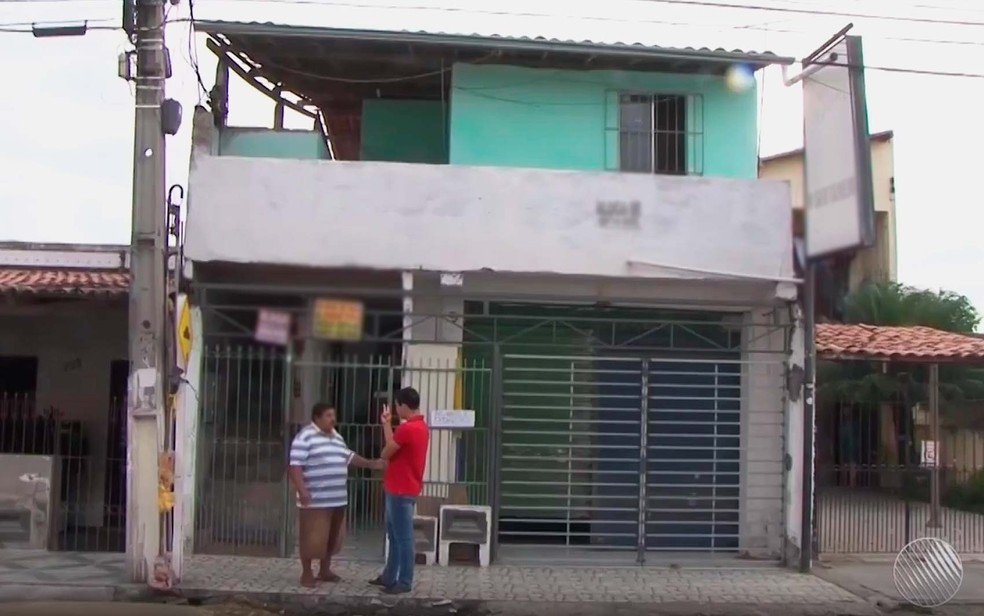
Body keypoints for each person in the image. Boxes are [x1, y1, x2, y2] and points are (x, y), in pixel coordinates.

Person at [288, 402, 384, 587]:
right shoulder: (305, 437)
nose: (333, 419)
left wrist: (372, 464)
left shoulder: (336, 436)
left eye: (333, 415)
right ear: (317, 418)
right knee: (310, 537)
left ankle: (325, 570)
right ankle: (307, 573)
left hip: (337, 498)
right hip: (315, 500)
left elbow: (348, 457)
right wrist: (302, 489)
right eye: (328, 416)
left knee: (332, 537)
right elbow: (295, 466)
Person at [369, 386, 429, 595]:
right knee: (395, 537)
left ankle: (404, 581)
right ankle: (389, 576)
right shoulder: (421, 426)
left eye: (396, 405)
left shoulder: (407, 429)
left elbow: (386, 451)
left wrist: (386, 427)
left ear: (403, 405)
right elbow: (394, 448)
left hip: (400, 489)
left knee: (402, 538)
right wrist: (387, 424)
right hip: (403, 487)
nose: (396, 409)